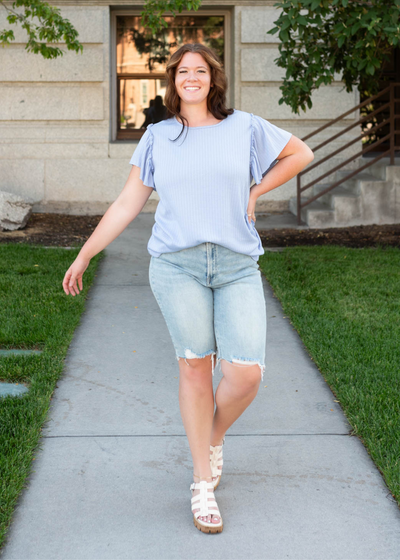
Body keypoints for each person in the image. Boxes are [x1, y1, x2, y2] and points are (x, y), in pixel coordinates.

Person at [62, 42, 314, 534]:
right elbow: (127, 203)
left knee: (245, 374)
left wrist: (256, 190)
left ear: (213, 79)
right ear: (174, 81)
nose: (191, 77)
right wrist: (85, 252)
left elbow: (300, 153)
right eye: (183, 71)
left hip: (238, 264)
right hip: (177, 266)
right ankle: (203, 483)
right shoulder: (158, 136)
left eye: (200, 70)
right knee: (195, 367)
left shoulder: (244, 127)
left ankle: (211, 437)